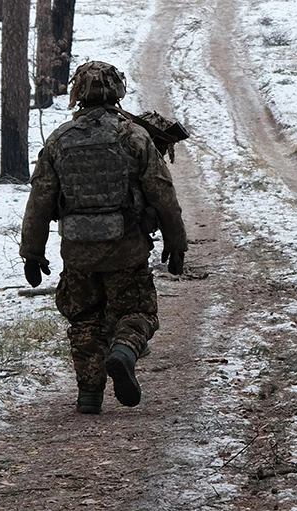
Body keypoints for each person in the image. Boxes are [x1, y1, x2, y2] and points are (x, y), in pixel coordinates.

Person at [20, 60, 188, 415]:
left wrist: (32, 251)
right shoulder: (135, 136)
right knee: (137, 311)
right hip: (126, 247)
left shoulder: (59, 140)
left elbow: (40, 198)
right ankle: (124, 350)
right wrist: (175, 242)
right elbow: (162, 193)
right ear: (118, 90)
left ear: (76, 93)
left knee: (85, 318)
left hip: (77, 251)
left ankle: (89, 394)